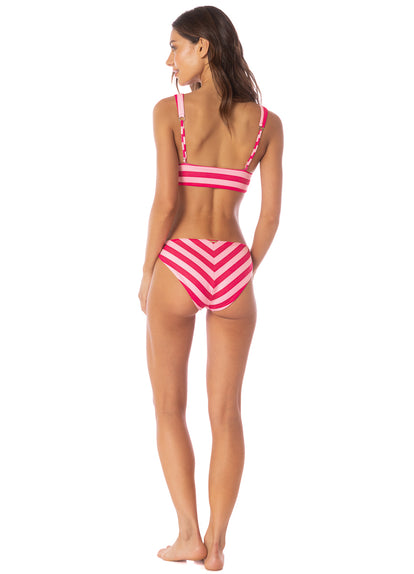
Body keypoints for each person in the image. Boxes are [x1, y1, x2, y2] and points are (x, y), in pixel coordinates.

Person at [138, 6, 283, 571]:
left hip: (180, 260)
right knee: (227, 413)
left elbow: (165, 203)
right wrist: (244, 269)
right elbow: (269, 217)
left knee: (168, 406)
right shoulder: (267, 123)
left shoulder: (169, 112)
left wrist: (147, 272)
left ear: (203, 47)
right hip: (233, 264)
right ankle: (218, 544)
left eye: (175, 46)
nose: (168, 59)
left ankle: (188, 535)